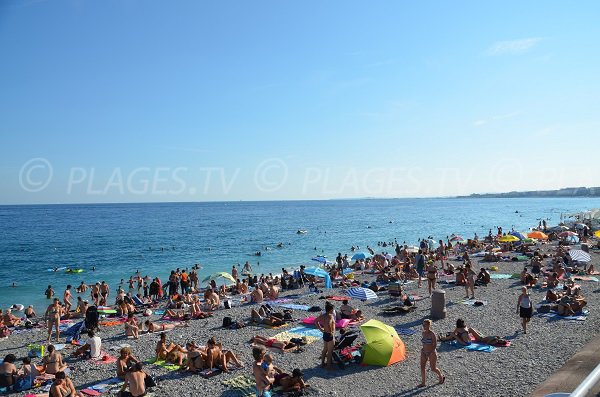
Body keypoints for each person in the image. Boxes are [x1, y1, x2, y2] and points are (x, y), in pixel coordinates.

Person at [418, 319, 444, 387]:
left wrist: (431, 352)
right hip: (424, 352)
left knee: (433, 368)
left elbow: (435, 345)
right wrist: (423, 350)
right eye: (423, 325)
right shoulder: (423, 333)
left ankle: (440, 375)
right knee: (422, 367)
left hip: (431, 352)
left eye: (425, 325)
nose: (423, 326)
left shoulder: (432, 334)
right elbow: (424, 343)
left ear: (429, 325)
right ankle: (423, 383)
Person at [315, 303, 336, 370]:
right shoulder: (330, 316)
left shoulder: (323, 315)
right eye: (333, 309)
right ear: (330, 310)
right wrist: (332, 332)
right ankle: (328, 366)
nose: (333, 310)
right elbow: (330, 324)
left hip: (325, 334)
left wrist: (321, 329)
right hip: (329, 335)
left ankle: (322, 363)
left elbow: (316, 321)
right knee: (330, 351)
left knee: (325, 349)